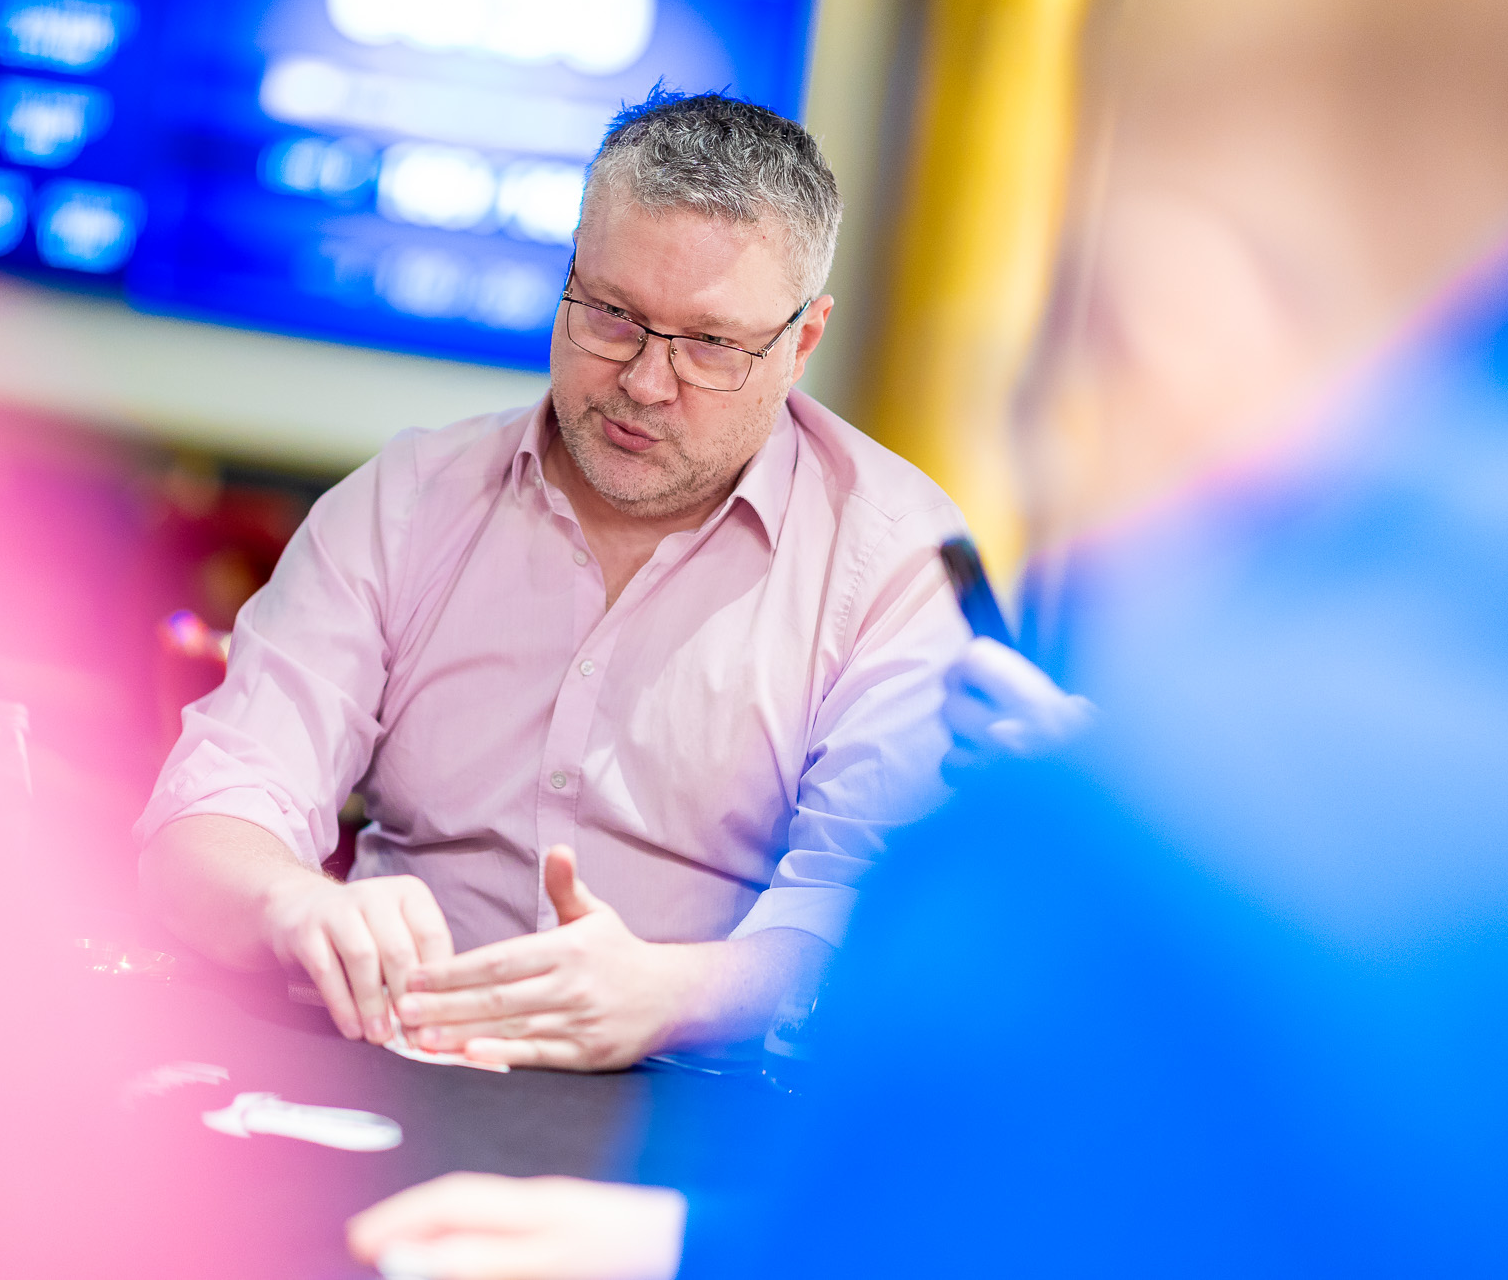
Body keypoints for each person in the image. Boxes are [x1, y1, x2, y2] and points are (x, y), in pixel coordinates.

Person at [343, 0, 1508, 1272]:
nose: (646, 377)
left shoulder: (1135, 864)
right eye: (613, 315)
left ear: (1171, 322)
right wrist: (698, 1244)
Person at [139, 91, 969, 1070]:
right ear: (569, 276)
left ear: (801, 342)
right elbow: (209, 815)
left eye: (710, 345)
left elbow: (878, 913)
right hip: (394, 1055)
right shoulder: (408, 503)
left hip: (701, 1098)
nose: (644, 384)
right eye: (611, 315)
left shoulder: (894, 560)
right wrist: (292, 902)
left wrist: (669, 995)